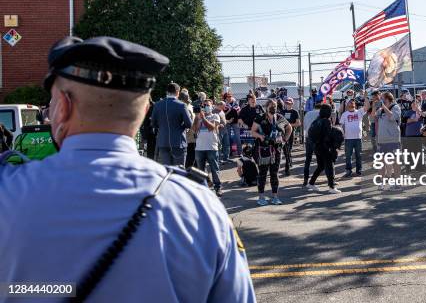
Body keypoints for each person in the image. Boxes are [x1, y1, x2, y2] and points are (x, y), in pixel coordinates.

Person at [0, 36, 255, 302]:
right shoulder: (201, 207)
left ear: (63, 106)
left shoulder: (7, 190)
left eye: (51, 104)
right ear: (144, 111)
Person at [251, 99, 292, 206]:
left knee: (274, 173)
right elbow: (252, 132)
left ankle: (275, 197)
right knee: (263, 174)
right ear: (266, 107)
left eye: (274, 105)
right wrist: (260, 136)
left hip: (277, 150)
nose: (273, 107)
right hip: (263, 150)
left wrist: (284, 139)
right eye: (271, 105)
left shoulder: (280, 117)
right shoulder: (260, 117)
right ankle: (261, 197)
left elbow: (289, 128)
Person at [152, 82, 194, 166]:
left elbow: (153, 123)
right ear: (178, 92)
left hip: (163, 141)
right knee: (179, 172)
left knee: (167, 171)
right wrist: (180, 127)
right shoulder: (182, 105)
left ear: (167, 92)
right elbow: (189, 124)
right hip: (178, 142)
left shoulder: (157, 105)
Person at [307, 104, 343, 193]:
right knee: (329, 166)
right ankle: (331, 187)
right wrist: (332, 147)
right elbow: (328, 135)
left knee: (321, 166)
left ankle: (311, 183)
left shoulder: (316, 120)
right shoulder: (326, 121)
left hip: (316, 146)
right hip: (324, 147)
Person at [192, 99, 222, 197]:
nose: (205, 107)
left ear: (212, 106)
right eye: (204, 105)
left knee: (214, 168)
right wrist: (197, 117)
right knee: (200, 170)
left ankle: (218, 188)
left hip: (212, 147)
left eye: (207, 105)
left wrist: (203, 118)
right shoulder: (199, 117)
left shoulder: (215, 116)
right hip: (199, 147)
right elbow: (194, 130)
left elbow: (212, 127)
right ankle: (204, 188)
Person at [375, 92, 403, 190]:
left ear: (388, 98)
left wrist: (383, 107)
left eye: (382, 98)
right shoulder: (381, 109)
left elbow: (392, 117)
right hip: (382, 140)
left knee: (395, 162)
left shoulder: (396, 107)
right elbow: (372, 117)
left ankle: (397, 183)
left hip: (393, 140)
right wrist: (375, 105)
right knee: (381, 162)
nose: (381, 100)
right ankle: (382, 183)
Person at [339, 97, 368, 177]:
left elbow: (367, 107)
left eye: (353, 102)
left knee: (359, 155)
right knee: (348, 156)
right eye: (350, 102)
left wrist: (365, 97)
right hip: (348, 138)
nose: (352, 103)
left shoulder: (359, 112)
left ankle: (359, 170)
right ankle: (348, 171)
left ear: (355, 104)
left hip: (358, 138)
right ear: (347, 104)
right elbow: (341, 126)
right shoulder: (344, 114)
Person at [302, 101, 321, 187]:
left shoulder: (308, 113)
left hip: (308, 137)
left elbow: (305, 126)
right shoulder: (320, 113)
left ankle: (305, 180)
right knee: (320, 160)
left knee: (308, 159)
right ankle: (314, 180)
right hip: (317, 139)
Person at [281, 97, 300, 176]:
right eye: (286, 103)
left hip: (291, 132)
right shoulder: (282, 112)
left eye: (289, 103)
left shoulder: (295, 112)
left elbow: (298, 123)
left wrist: (289, 125)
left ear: (292, 104)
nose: (288, 104)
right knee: (285, 150)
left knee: (289, 149)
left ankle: (289, 162)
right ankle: (288, 165)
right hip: (283, 133)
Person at [180, 91, 197, 169]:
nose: (189, 98)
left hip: (192, 134)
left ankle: (192, 170)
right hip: (188, 135)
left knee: (192, 154)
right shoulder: (184, 106)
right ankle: (189, 170)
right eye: (188, 97)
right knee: (190, 154)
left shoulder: (189, 106)